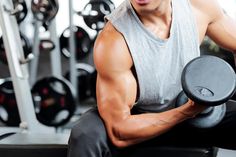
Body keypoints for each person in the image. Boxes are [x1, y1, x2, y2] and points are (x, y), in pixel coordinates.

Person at [67, 0, 236, 157]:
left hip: (191, 106)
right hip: (139, 117)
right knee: (85, 135)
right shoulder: (114, 41)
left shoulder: (198, 8)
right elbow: (119, 131)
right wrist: (186, 111)